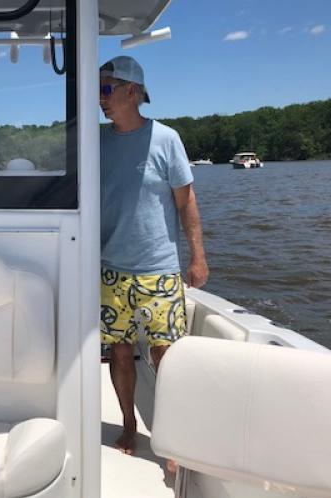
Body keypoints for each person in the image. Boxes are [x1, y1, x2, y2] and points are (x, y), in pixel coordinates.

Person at [99, 56, 208, 461]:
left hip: (159, 270)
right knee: (119, 351)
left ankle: (174, 437)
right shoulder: (96, 142)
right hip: (110, 268)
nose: (99, 98)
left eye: (105, 88)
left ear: (132, 92)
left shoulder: (166, 138)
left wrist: (197, 257)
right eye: (97, 89)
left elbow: (186, 201)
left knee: (167, 357)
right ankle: (129, 424)